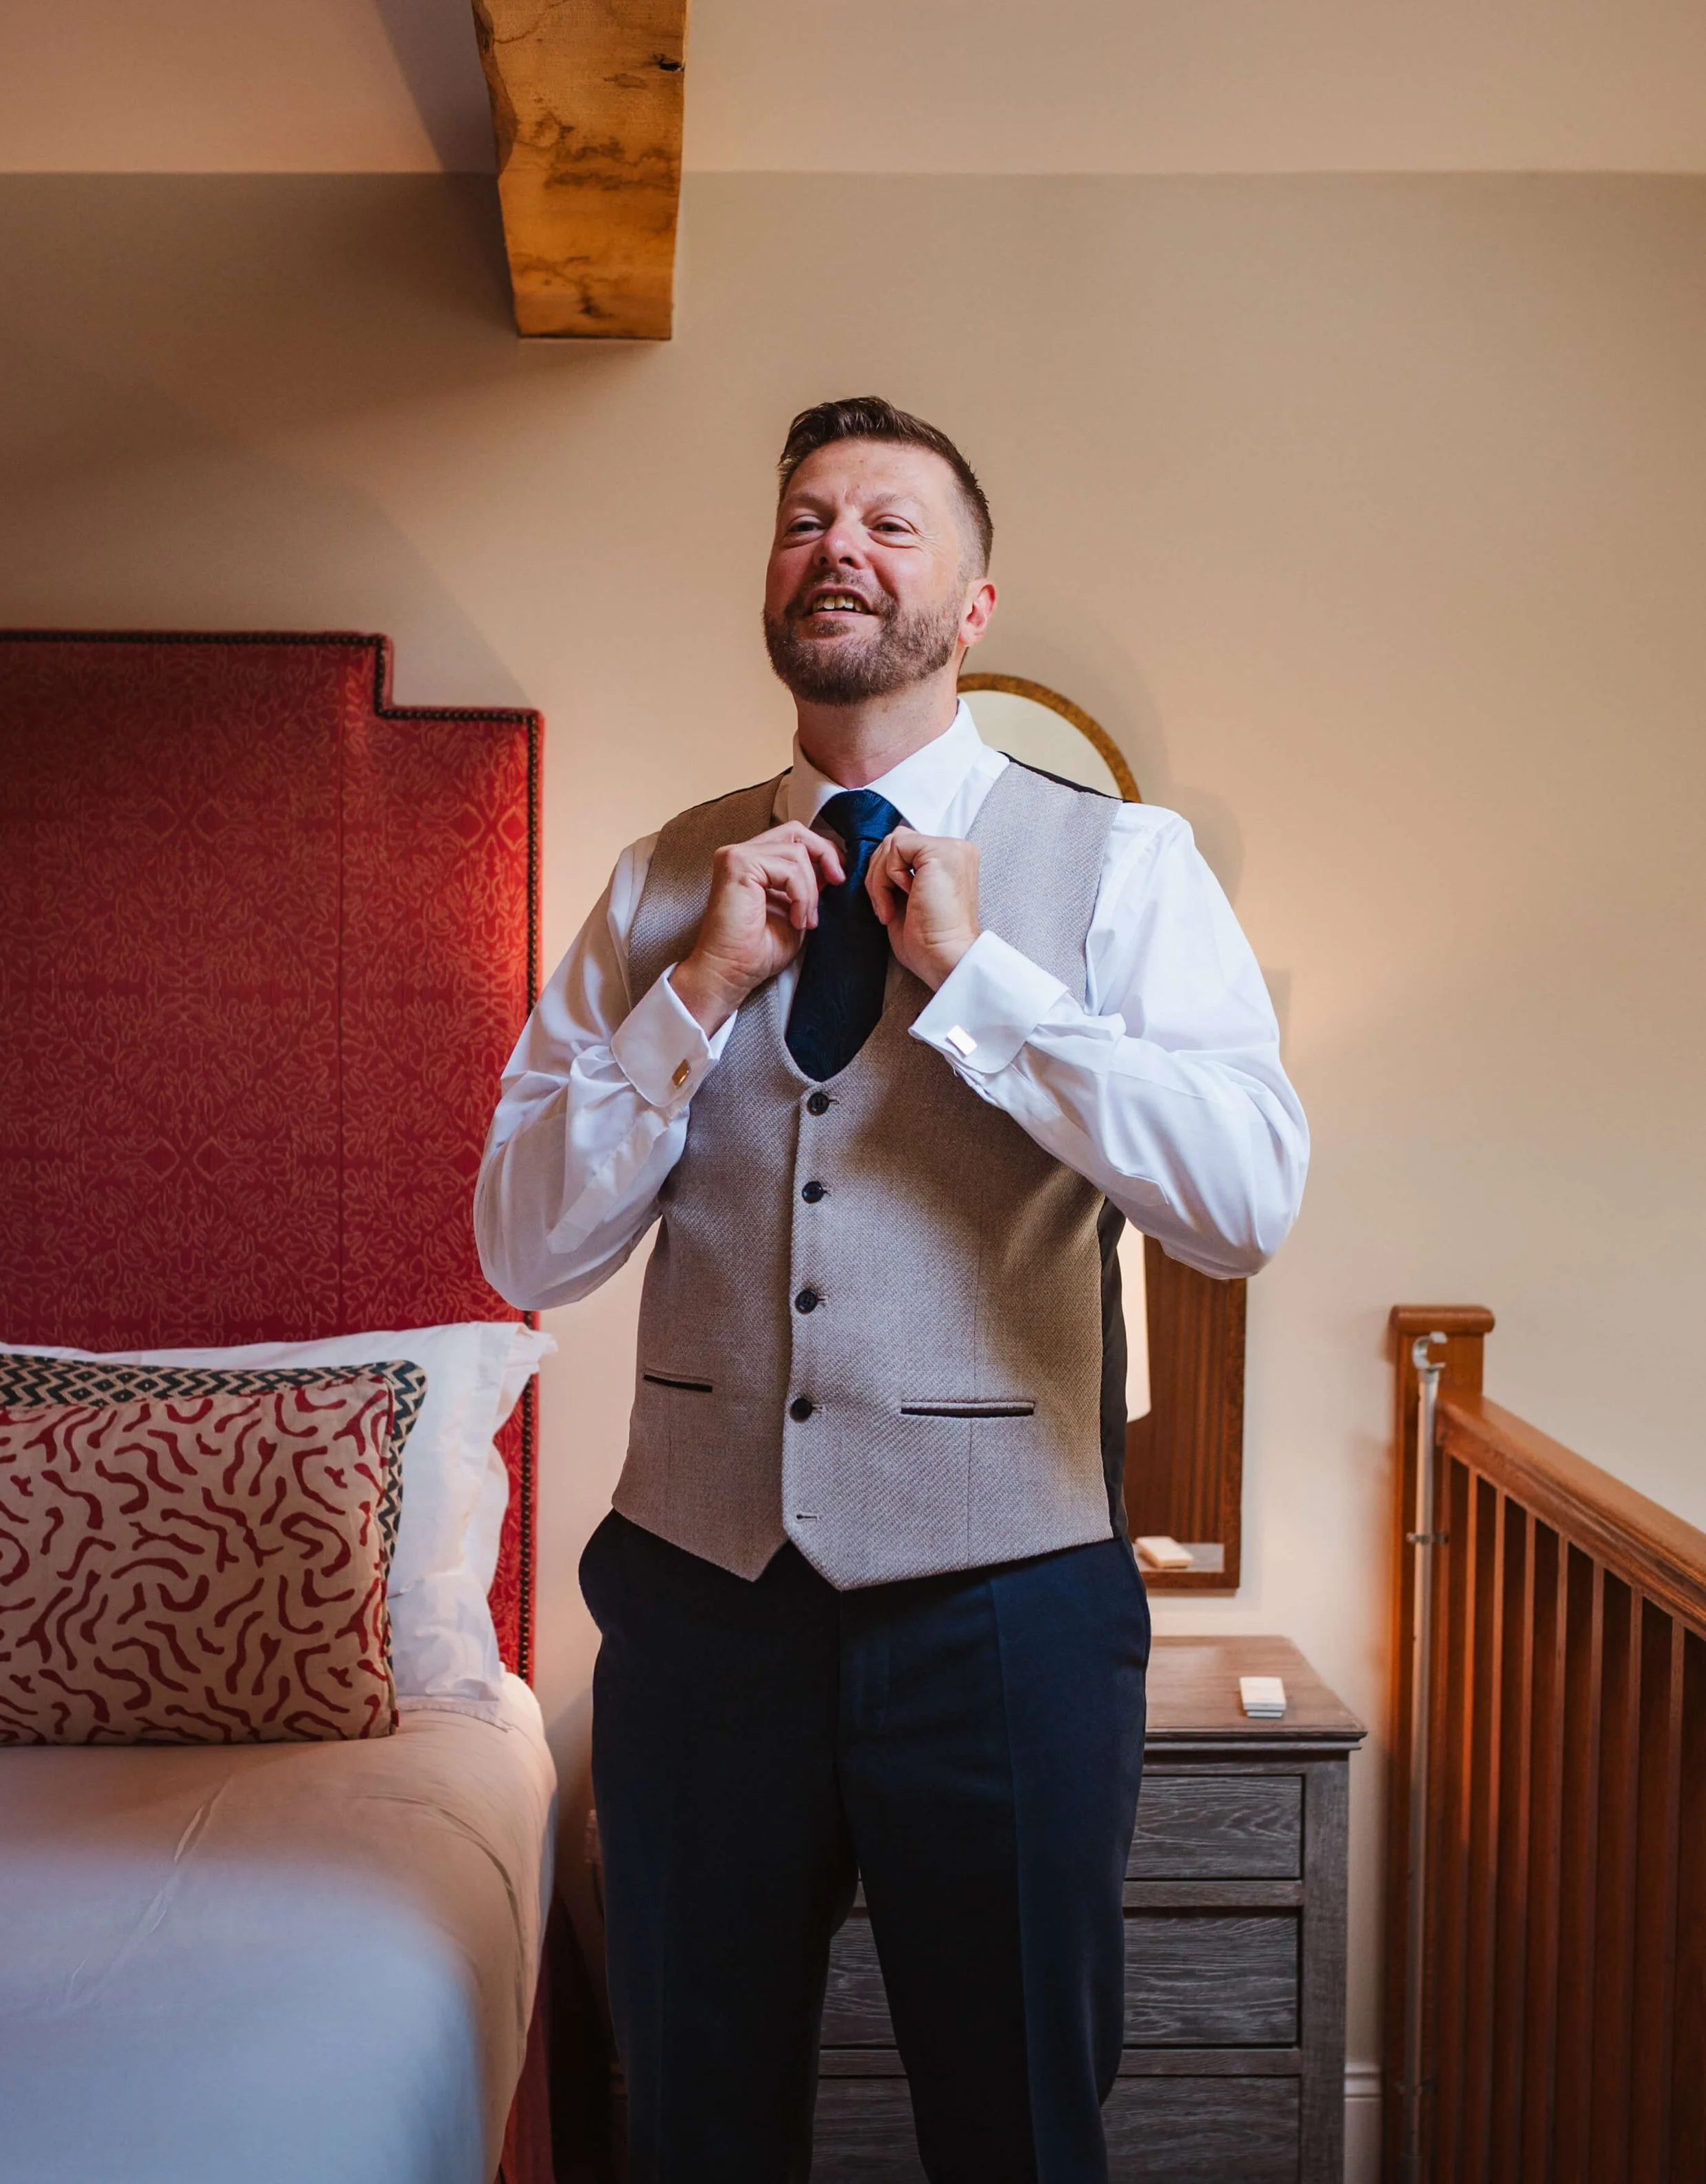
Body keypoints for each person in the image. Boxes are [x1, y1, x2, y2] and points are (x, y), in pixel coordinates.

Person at [476, 396, 1309, 2183]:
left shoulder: (1125, 866)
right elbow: (522, 1247)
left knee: (1014, 2119)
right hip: (702, 1615)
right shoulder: (651, 887)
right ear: (771, 578)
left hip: (1003, 1609)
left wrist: (983, 981)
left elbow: (1241, 1197)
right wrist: (693, 989)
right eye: (803, 519)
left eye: (889, 523)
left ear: (973, 601)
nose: (838, 546)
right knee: (694, 2121)